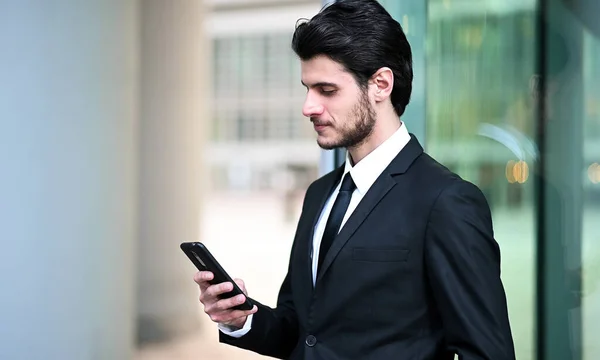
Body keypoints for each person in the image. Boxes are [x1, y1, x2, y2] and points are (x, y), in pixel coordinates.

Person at [194, 0, 516, 358]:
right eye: (307, 88)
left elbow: (487, 352)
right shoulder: (319, 195)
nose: (308, 107)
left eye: (327, 91)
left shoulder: (446, 201)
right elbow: (304, 330)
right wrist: (240, 320)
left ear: (380, 84)